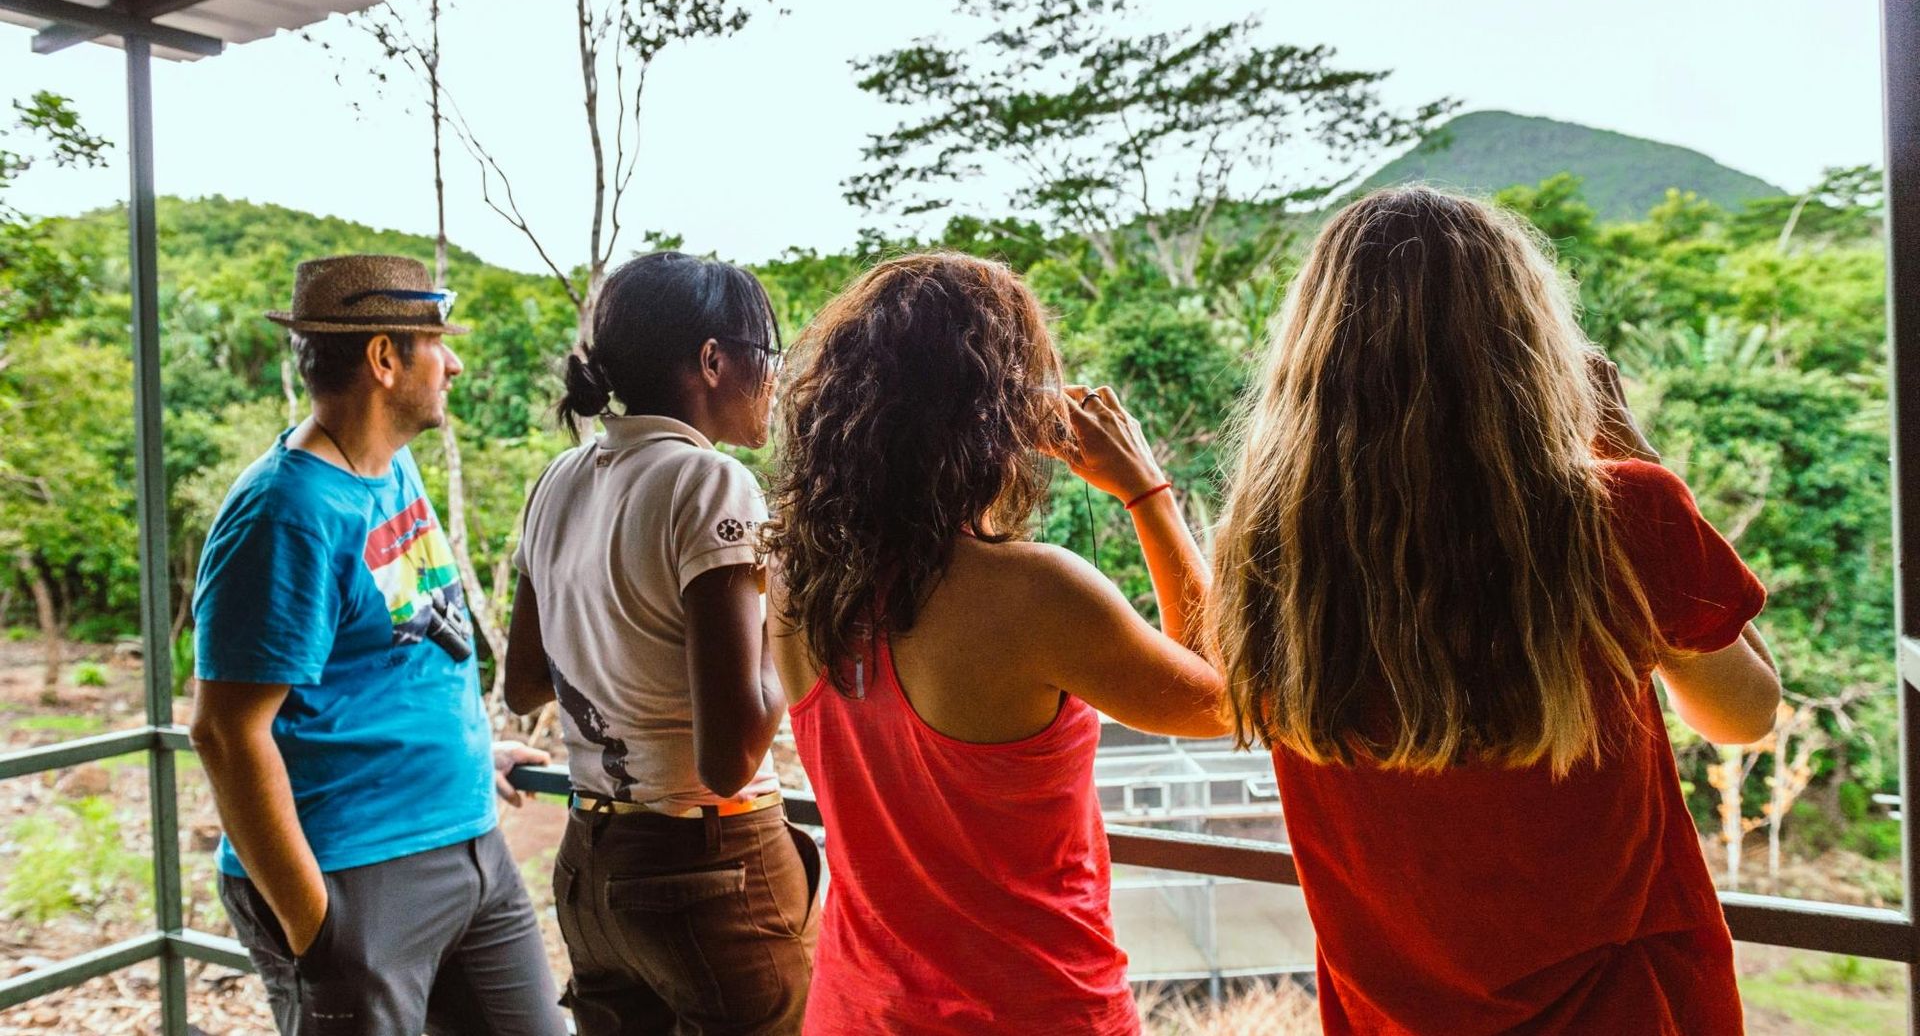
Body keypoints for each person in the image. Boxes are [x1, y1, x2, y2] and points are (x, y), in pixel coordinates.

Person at [1208, 186, 1782, 1035]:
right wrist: (1637, 453)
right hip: (1623, 1008)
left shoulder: (1265, 552)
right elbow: (1746, 712)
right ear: (1527, 344)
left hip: (1389, 1017)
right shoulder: (1618, 515)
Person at [762, 252, 1232, 1035]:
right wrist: (1146, 492)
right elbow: (1220, 702)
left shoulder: (794, 578)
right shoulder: (1036, 594)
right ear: (1002, 414)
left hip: (857, 1010)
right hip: (1035, 1010)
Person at [189, 254, 564, 1036]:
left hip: (469, 844)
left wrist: (464, 754)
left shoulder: (390, 467)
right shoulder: (285, 512)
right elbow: (225, 731)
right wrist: (317, 929)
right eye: (438, 345)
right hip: (355, 868)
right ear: (385, 359)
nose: (454, 365)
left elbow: (402, 648)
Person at [502, 251, 815, 1035]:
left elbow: (525, 684)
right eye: (766, 353)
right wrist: (790, 606)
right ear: (712, 361)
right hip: (708, 867)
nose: (774, 378)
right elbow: (730, 758)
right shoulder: (710, 483)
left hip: (592, 867)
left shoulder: (559, 479)